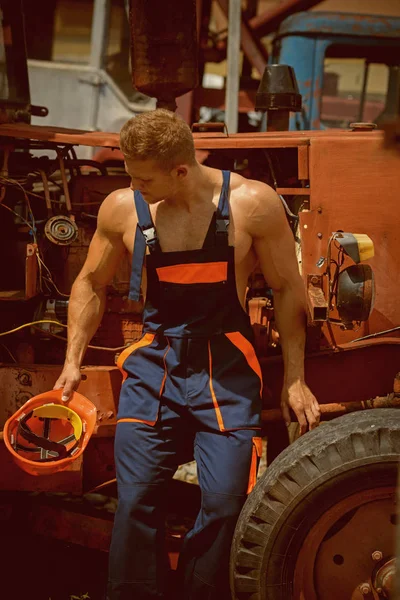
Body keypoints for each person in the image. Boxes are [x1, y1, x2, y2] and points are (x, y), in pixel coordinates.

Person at [54, 108, 320, 600]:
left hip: (226, 368)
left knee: (223, 504)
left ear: (180, 169)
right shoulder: (123, 208)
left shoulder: (251, 204)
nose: (133, 185)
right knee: (134, 502)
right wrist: (73, 359)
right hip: (155, 366)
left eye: (142, 176)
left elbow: (287, 290)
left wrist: (295, 378)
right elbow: (90, 282)